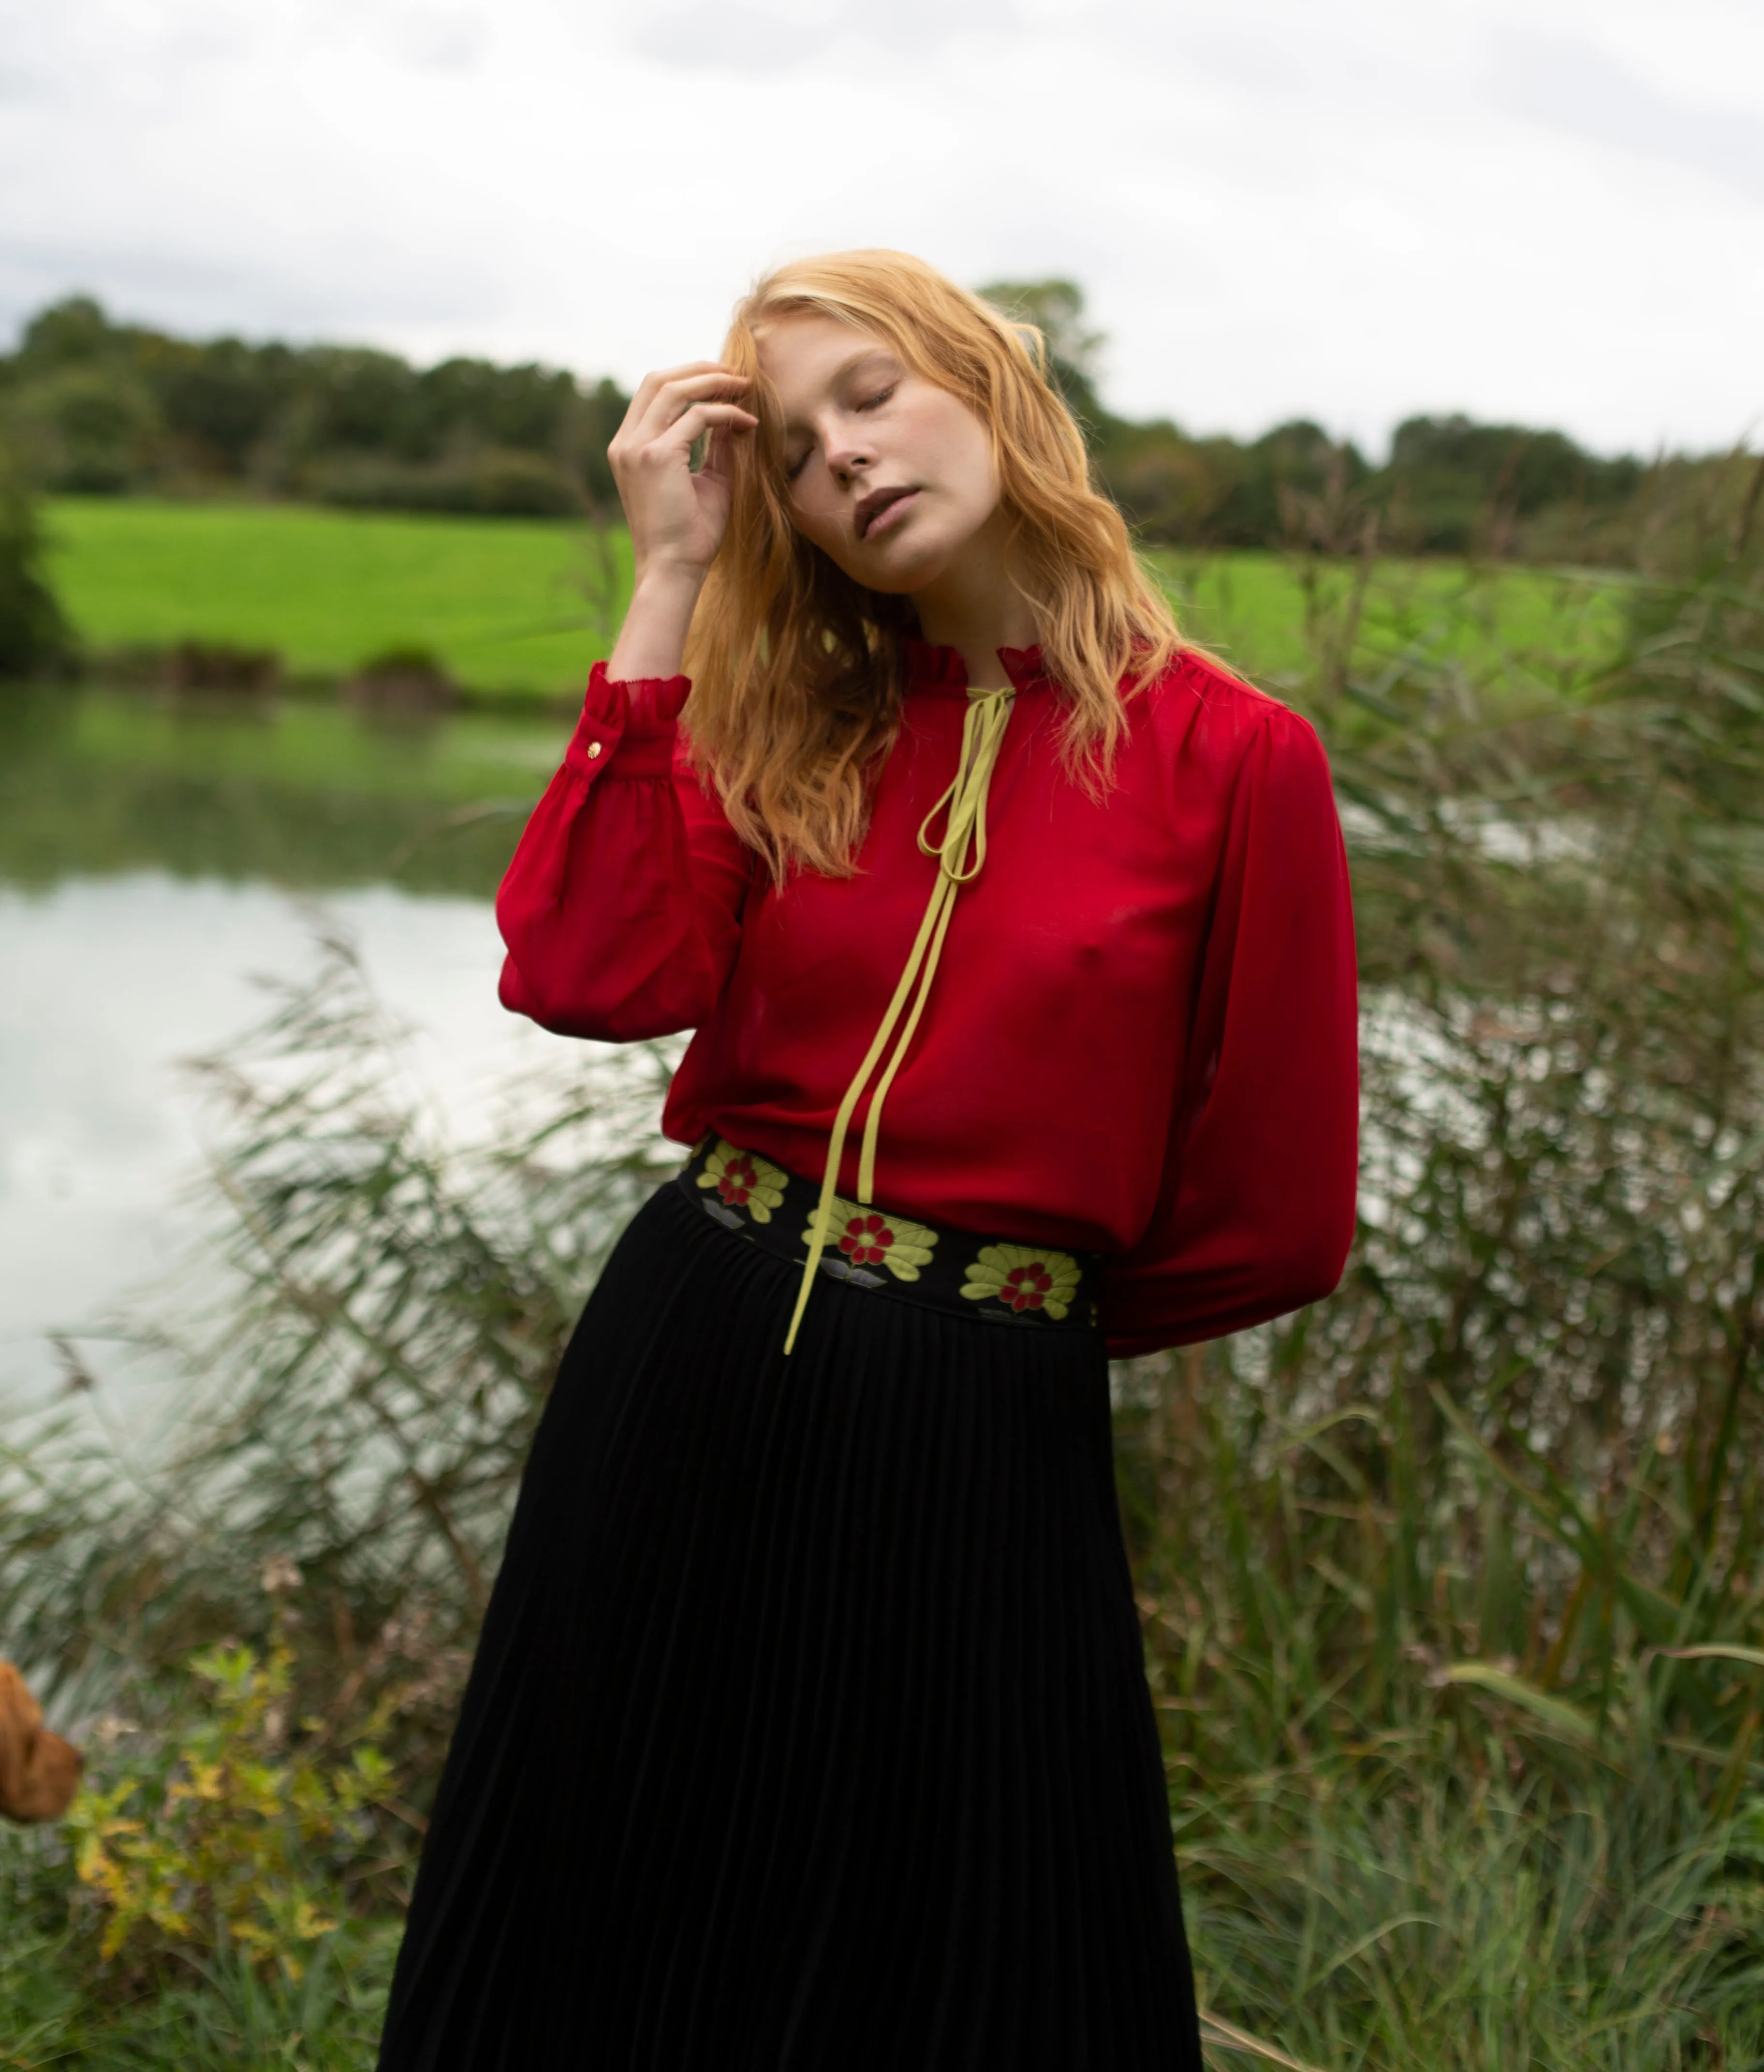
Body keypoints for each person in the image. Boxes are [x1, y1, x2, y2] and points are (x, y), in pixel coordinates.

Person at [375, 250, 1359, 2072]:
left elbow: (1283, 1219)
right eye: (797, 446)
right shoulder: (790, 721)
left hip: (984, 1416)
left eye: (874, 393)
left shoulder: (1239, 762)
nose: (848, 458)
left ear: (988, 385)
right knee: (607, 1894)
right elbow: (588, 978)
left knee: (972, 1943)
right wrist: (670, 575)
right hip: (686, 1353)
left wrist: (981, 1324)